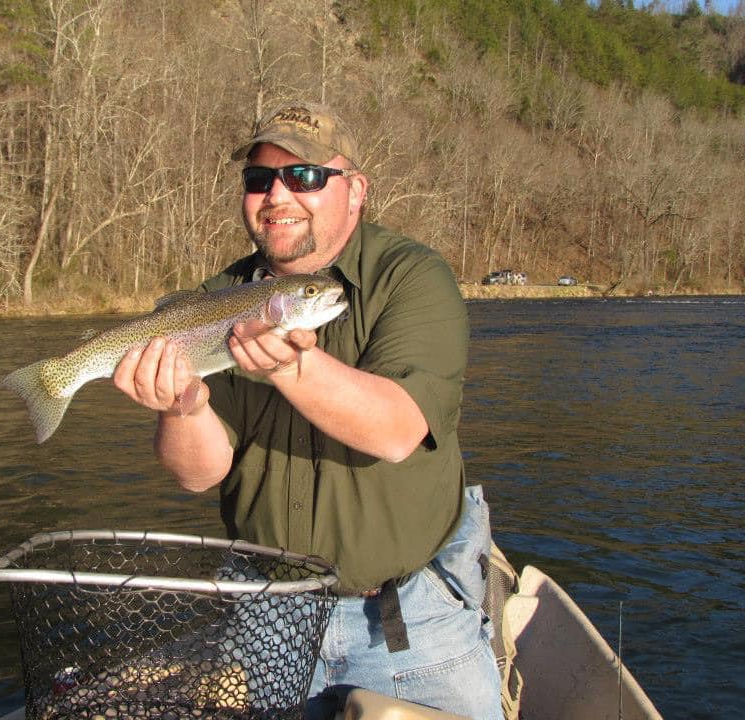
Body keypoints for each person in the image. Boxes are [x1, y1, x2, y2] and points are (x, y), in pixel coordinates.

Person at [113, 102, 502, 720]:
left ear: (355, 191)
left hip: (409, 620)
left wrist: (289, 367)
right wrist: (182, 406)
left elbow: (399, 429)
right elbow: (200, 473)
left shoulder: (410, 277)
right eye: (259, 179)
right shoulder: (220, 299)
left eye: (305, 177)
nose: (277, 194)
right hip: (268, 618)